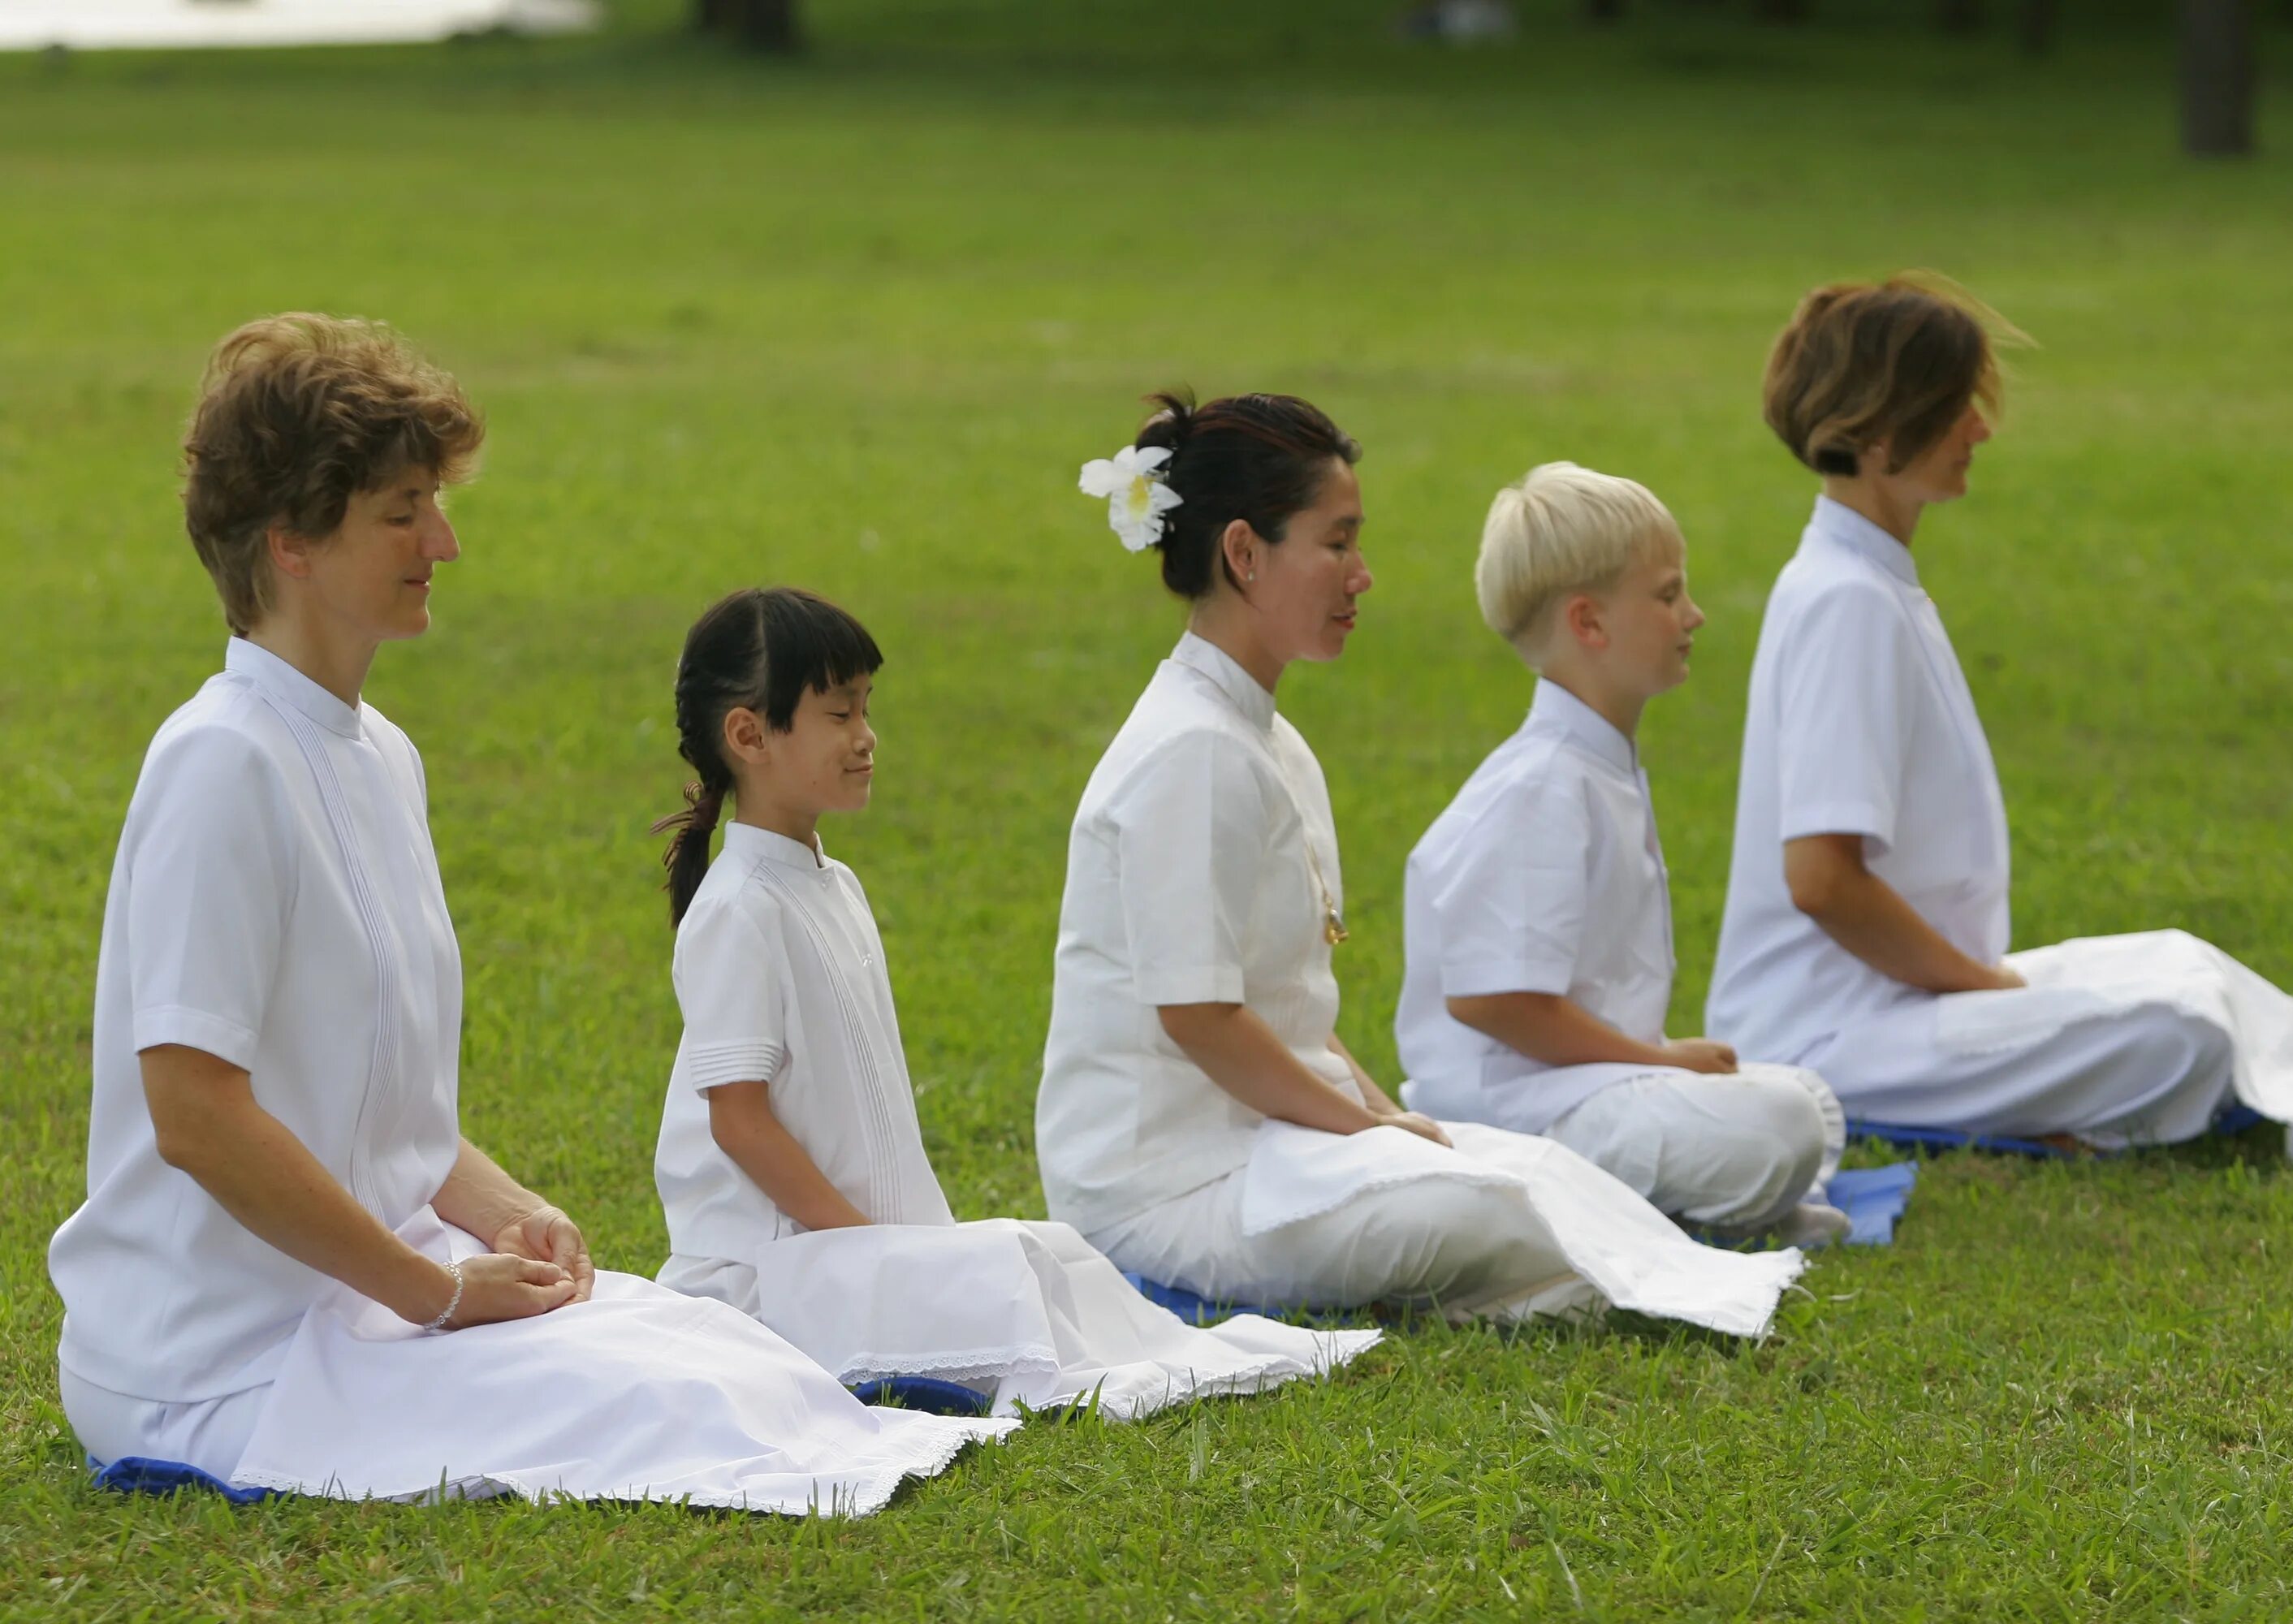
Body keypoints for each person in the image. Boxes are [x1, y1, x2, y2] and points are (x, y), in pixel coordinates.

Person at [46, 315, 1008, 1514]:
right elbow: (194, 1115)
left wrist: (505, 1210)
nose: (442, 541)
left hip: (365, 1298)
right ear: (290, 538)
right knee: (670, 1408)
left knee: (718, 1355)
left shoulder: (380, 756)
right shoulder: (219, 763)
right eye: (402, 511)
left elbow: (368, 1099)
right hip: (221, 1359)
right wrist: (431, 1291)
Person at [1036, 392, 1803, 1339]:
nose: (1363, 576)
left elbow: (1288, 1010)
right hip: (1166, 1191)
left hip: (1271, 1145)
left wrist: (1388, 1118)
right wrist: (1368, 1135)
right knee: (1480, 1204)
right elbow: (1200, 1017)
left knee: (1531, 1170)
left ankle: (1593, 1276)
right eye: (1338, 543)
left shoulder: (1265, 741)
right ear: (1244, 553)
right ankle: (1582, 1286)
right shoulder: (1191, 752)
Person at [649, 586, 1378, 1418]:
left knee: (1047, 1251)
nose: (866, 736)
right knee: (1013, 1280)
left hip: (853, 1247)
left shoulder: (829, 883)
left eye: (866, 708)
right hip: (773, 1271)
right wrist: (868, 1250)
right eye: (838, 713)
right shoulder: (737, 907)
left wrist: (901, 1250)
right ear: (749, 734)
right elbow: (739, 1122)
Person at [1705, 275, 2293, 1161]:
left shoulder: (1866, 578)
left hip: (1913, 996)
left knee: (2188, 965)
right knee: (2182, 1032)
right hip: (1835, 1033)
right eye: (1956, 405)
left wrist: (1983, 988)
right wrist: (1982, 988)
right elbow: (1822, 879)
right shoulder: (1845, 600)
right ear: (1882, 434)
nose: (1981, 426)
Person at [1396, 463, 1846, 1242]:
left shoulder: (1592, 764)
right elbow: (1494, 1001)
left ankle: (1707, 1200)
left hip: (1588, 1087)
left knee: (1806, 1098)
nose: (1694, 615)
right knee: (1782, 1122)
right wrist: (1660, 1061)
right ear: (1589, 623)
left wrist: (1659, 1061)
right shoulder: (1539, 786)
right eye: (1669, 595)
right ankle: (1662, 1211)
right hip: (1515, 1113)